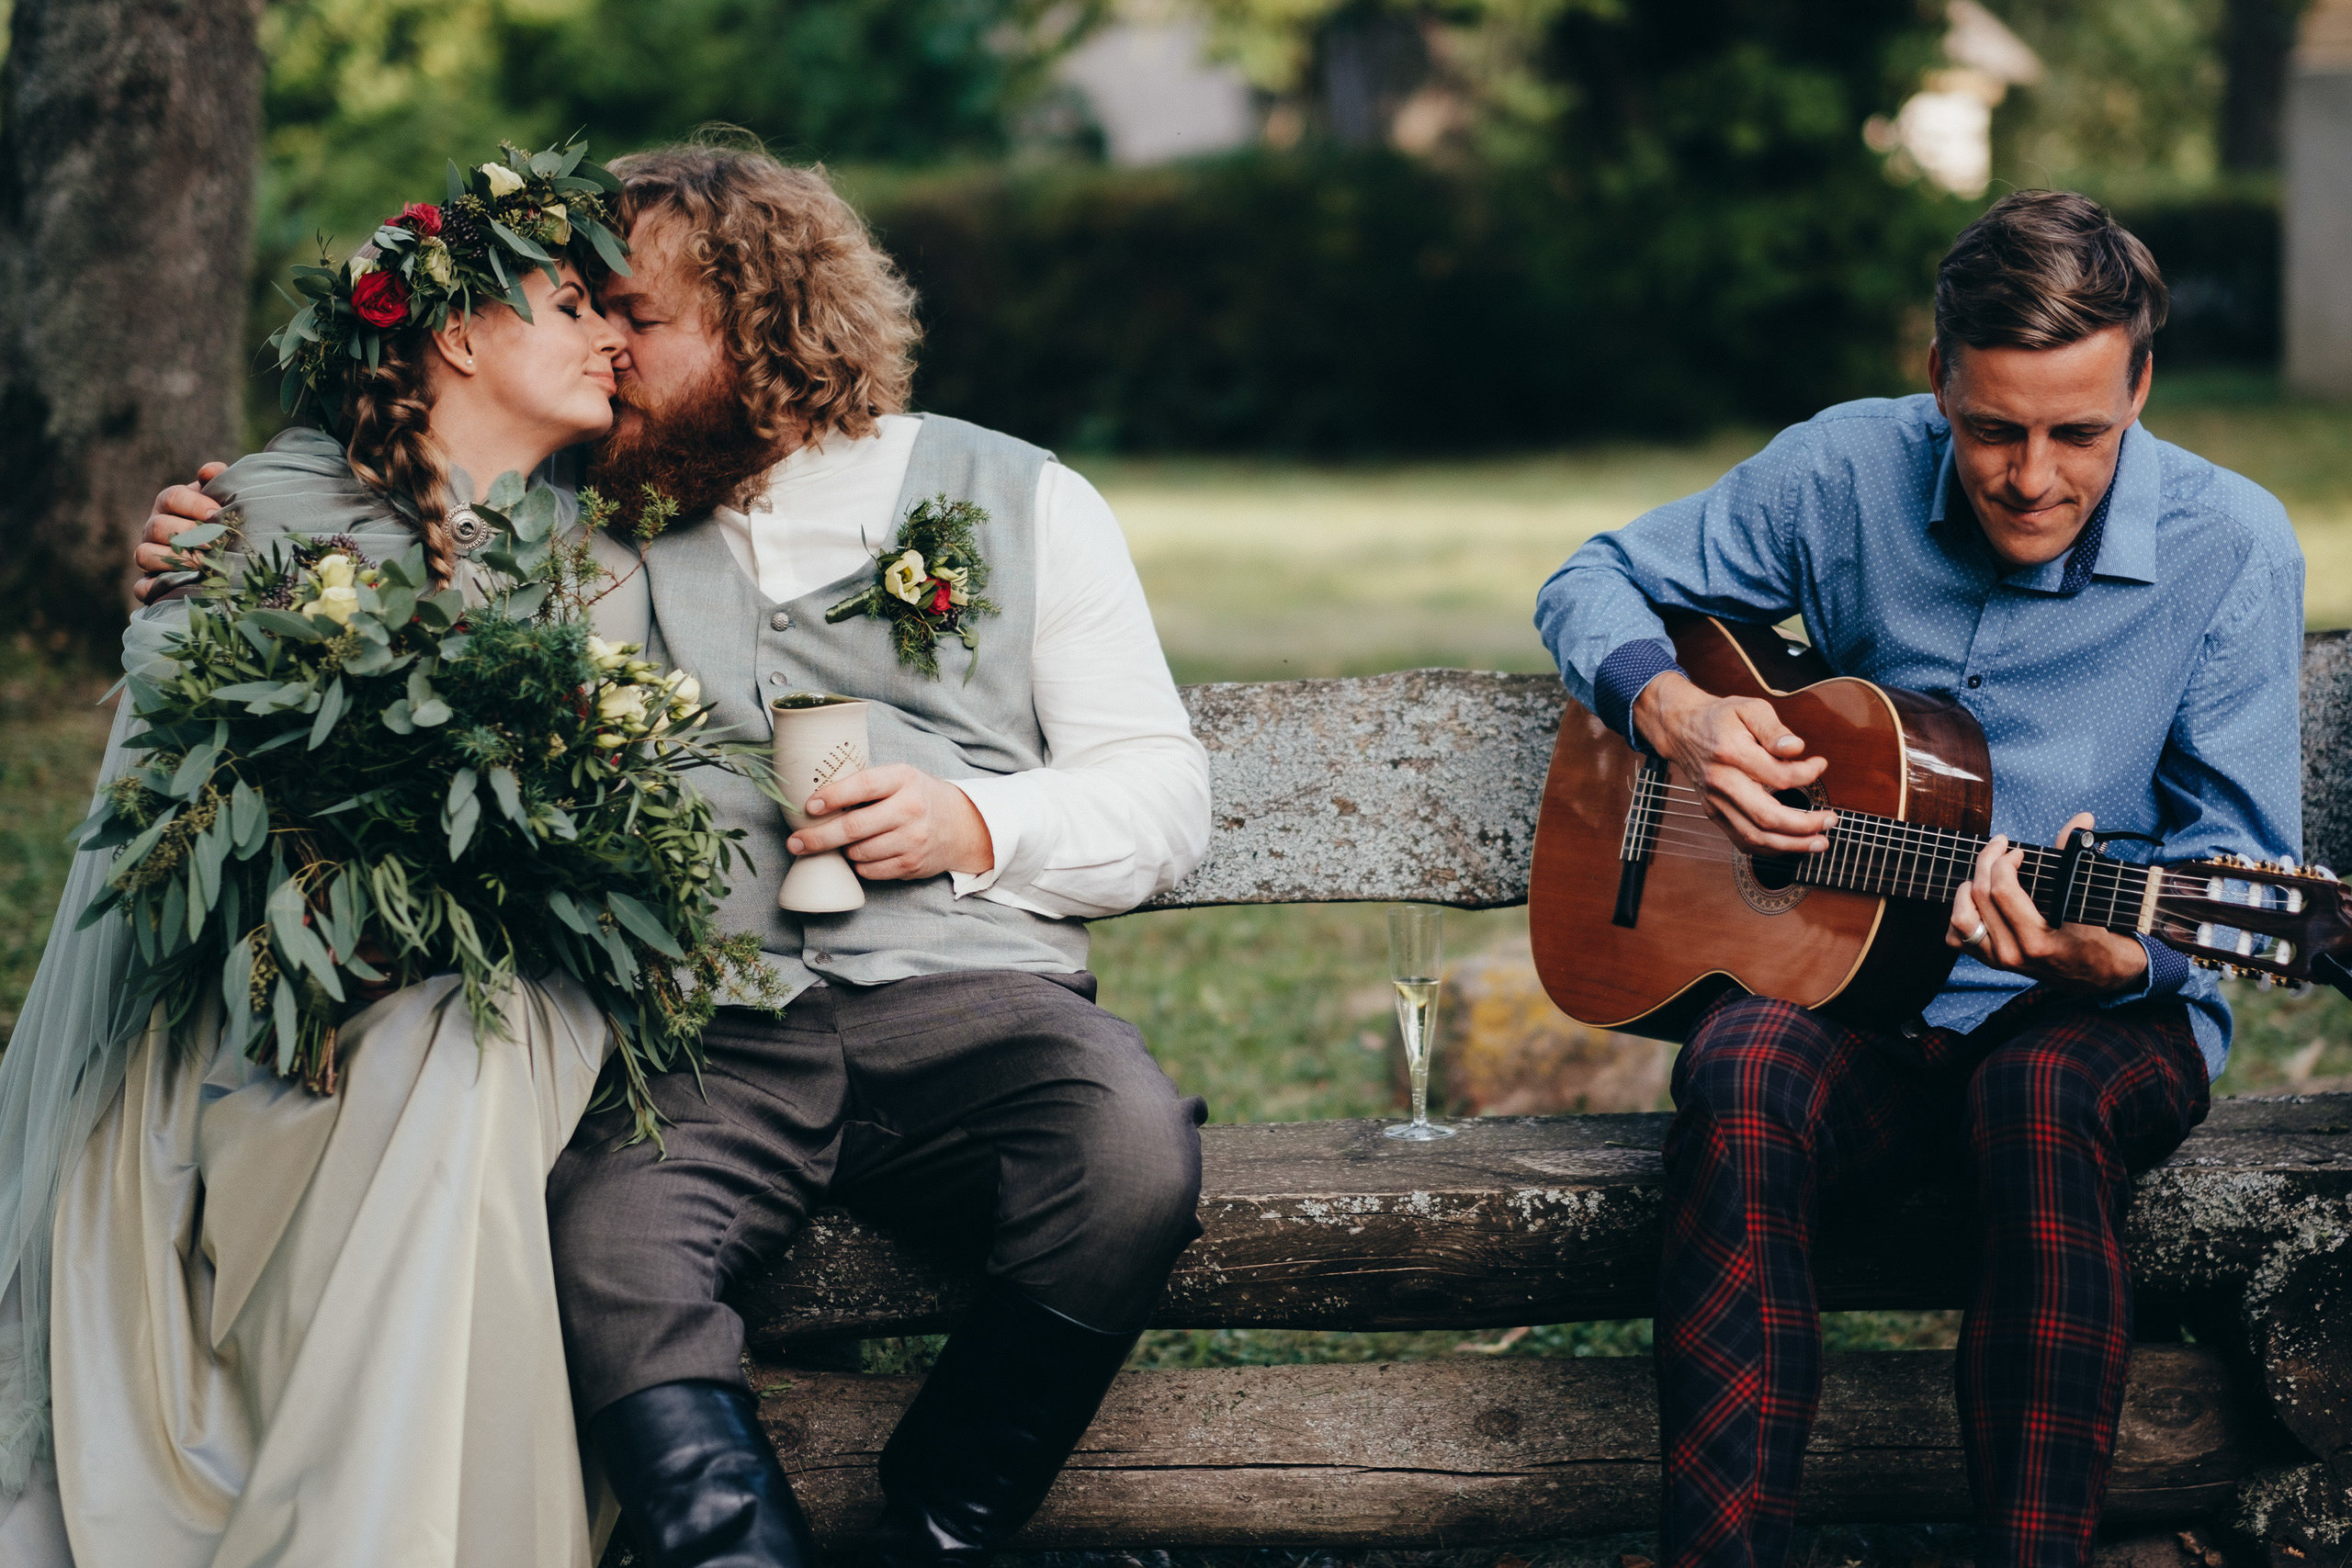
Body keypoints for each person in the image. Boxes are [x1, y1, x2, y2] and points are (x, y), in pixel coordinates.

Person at [130, 141, 1215, 1568]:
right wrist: (211, 548)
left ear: (760, 322)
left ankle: (939, 1530)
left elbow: (1159, 790)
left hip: (977, 1005)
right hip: (703, 1026)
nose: (606, 353)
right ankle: (727, 1545)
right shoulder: (577, 514)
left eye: (633, 318)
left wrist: (978, 825)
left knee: (1129, 1152)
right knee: (605, 1240)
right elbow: (383, 541)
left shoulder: (1026, 500)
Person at [1535, 190, 2301, 1568]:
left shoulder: (2231, 547)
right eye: (1993, 427)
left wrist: (2111, 959)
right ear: (1938, 378)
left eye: (2080, 433)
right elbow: (1593, 578)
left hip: (2092, 1020)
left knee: (2042, 1093)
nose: (2031, 476)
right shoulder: (1843, 472)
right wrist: (1681, 714)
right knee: (1739, 1067)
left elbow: (2227, 871)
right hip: (1855, 997)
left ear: (2140, 386)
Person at [0, 162, 649, 1566]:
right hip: (259, 1000)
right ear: (459, 333)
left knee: (456, 1054)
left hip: (510, 993)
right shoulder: (259, 513)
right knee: (410, 1066)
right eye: (573, 303)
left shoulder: (599, 556)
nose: (614, 334)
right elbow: (172, 824)